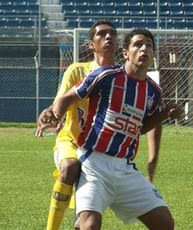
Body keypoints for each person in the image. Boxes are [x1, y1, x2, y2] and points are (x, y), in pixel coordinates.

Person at [36, 21, 163, 230]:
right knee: (70, 166)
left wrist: (152, 159)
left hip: (109, 154)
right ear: (90, 44)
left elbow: (145, 119)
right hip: (73, 141)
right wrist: (50, 113)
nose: (108, 37)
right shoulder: (78, 71)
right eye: (102, 34)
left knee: (88, 222)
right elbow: (62, 100)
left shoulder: (131, 79)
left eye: (112, 33)